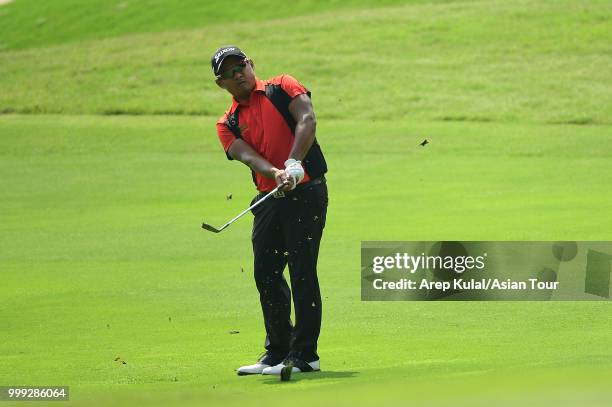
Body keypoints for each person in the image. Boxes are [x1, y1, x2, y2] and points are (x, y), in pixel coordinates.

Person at [211, 46, 329, 376]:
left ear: (251, 65)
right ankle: (277, 351)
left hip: (307, 193)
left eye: (242, 66)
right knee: (266, 272)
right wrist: (275, 173)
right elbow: (246, 155)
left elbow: (307, 118)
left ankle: (305, 354)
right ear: (221, 83)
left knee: (302, 270)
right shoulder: (227, 123)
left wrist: (293, 162)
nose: (239, 74)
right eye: (230, 73)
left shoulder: (281, 86)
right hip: (269, 198)